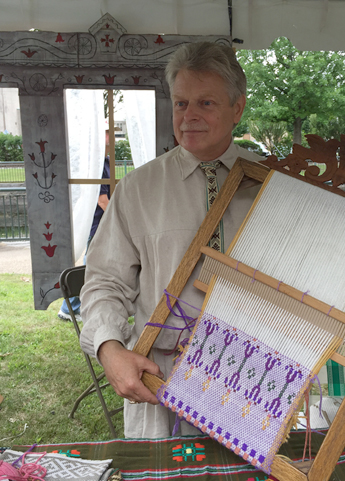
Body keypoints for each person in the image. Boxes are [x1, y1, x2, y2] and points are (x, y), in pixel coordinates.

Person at [80, 42, 264, 438]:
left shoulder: (276, 187)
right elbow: (104, 282)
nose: (189, 117)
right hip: (162, 379)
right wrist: (109, 347)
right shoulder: (137, 190)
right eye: (181, 104)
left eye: (206, 103)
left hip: (254, 383)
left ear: (238, 108)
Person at [57, 156, 110, 321]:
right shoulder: (97, 163)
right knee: (91, 264)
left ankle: (72, 306)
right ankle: (69, 307)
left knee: (93, 264)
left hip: (100, 222)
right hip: (99, 223)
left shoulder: (105, 161)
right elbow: (102, 200)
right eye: (108, 132)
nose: (110, 135)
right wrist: (118, 219)